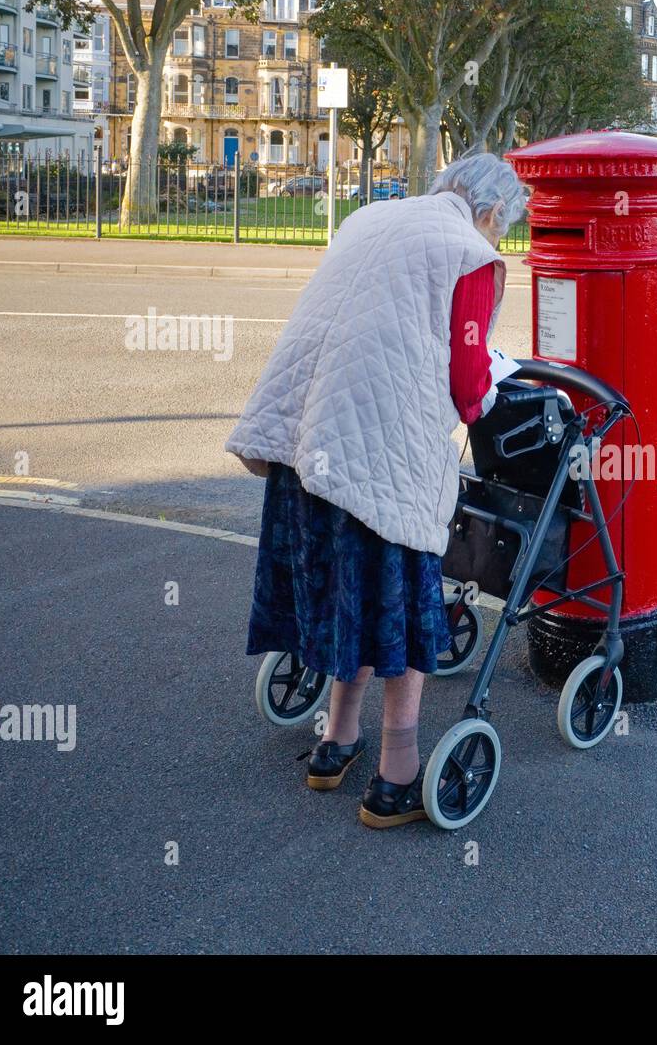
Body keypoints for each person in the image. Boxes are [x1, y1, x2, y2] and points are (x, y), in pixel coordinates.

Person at [224, 152, 526, 828]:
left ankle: (333, 744)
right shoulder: (470, 253)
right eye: (503, 229)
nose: (499, 241)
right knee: (396, 605)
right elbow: (470, 384)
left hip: (303, 441)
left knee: (345, 594)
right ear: (492, 213)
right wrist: (490, 389)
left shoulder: (371, 217)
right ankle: (395, 777)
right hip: (381, 455)